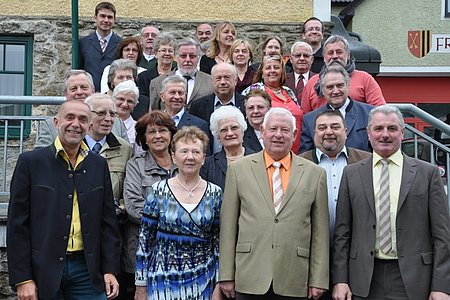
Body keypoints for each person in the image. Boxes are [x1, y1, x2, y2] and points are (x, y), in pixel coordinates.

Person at [332, 105, 450, 300]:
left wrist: (442, 286)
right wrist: (340, 280)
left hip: (414, 279)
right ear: (369, 133)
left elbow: (442, 236)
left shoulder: (427, 174)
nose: (385, 134)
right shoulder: (351, 174)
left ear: (402, 133)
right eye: (378, 129)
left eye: (392, 128)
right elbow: (342, 234)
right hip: (363, 278)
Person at [7, 100, 120, 299]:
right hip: (43, 269)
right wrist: (23, 279)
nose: (76, 124)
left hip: (87, 270)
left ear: (89, 125)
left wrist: (110, 269)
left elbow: (108, 222)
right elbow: (17, 225)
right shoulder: (31, 162)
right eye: (70, 117)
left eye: (83, 119)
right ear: (57, 122)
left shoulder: (98, 165)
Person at [219, 107, 329, 299]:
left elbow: (320, 232)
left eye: (285, 130)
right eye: (273, 129)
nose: (278, 135)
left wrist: (318, 279)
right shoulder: (239, 169)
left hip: (294, 276)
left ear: (294, 135)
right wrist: (226, 274)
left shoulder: (315, 173)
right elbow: (228, 226)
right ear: (262, 131)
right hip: (249, 275)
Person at [134, 126, 222, 300]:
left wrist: (219, 284)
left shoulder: (215, 193)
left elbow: (218, 242)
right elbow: (145, 241)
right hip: (162, 282)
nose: (190, 157)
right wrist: (140, 285)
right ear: (174, 157)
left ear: (203, 158)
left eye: (196, 152)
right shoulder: (158, 191)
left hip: (203, 279)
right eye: (184, 151)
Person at [300, 110, 370, 300]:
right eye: (322, 128)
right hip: (311, 257)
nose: (329, 132)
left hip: (356, 257)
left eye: (335, 127)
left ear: (346, 131)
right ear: (314, 133)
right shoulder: (299, 164)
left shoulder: (367, 161)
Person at [122, 111, 178, 299]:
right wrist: (176, 220)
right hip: (144, 250)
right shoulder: (135, 166)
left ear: (171, 135)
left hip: (180, 250)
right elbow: (134, 207)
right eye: (151, 132)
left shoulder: (184, 162)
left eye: (162, 131)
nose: (158, 136)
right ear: (144, 138)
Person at [35, 69, 129, 149]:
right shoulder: (51, 125)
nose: (79, 92)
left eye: (84, 87)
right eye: (73, 89)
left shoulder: (116, 123)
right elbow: (40, 159)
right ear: (66, 94)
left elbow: (127, 154)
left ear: (93, 90)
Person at [301, 35, 386, 114]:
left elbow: (380, 111)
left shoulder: (365, 79)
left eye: (339, 52)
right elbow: (305, 116)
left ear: (348, 55)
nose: (334, 56)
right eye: (330, 53)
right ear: (324, 57)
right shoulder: (312, 82)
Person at [300, 64, 373, 153]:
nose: (335, 91)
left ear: (348, 86)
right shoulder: (309, 120)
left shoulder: (370, 114)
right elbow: (306, 158)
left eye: (340, 85)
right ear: (322, 90)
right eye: (330, 87)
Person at [242, 55, 303, 154]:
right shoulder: (255, 89)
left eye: (276, 67)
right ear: (262, 73)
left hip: (298, 149)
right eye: (268, 68)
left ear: (282, 72)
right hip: (272, 148)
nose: (272, 70)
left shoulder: (288, 92)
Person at [189, 63, 246, 153]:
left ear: (235, 80)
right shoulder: (198, 106)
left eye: (227, 77)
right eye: (218, 78)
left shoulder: (246, 104)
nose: (222, 82)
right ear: (212, 81)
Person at [150, 38, 213, 110]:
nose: (188, 60)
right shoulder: (158, 82)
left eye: (192, 56)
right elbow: (153, 114)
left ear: (198, 58)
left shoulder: (210, 81)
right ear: (176, 58)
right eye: (183, 56)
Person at [201, 106, 254, 190]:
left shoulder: (258, 160)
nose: (230, 133)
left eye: (234, 128)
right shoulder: (208, 165)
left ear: (242, 131)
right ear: (218, 136)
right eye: (224, 130)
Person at [159, 75, 213, 154]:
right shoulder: (155, 122)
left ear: (186, 96)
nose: (177, 97)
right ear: (162, 96)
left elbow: (205, 156)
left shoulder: (199, 124)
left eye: (180, 93)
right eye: (172, 92)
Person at [79, 2, 121, 91]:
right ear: (95, 18)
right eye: (102, 16)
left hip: (112, 94)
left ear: (114, 20)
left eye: (110, 17)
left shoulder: (121, 44)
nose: (106, 20)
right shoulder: (83, 43)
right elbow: (79, 70)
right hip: (89, 94)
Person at [137, 33, 177, 97]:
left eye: (170, 51)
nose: (167, 53)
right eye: (163, 50)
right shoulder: (143, 77)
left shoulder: (179, 75)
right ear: (155, 53)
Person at [112, 80, 140, 145]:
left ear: (135, 105)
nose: (125, 104)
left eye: (130, 101)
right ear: (113, 99)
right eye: (121, 99)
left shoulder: (137, 128)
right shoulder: (105, 123)